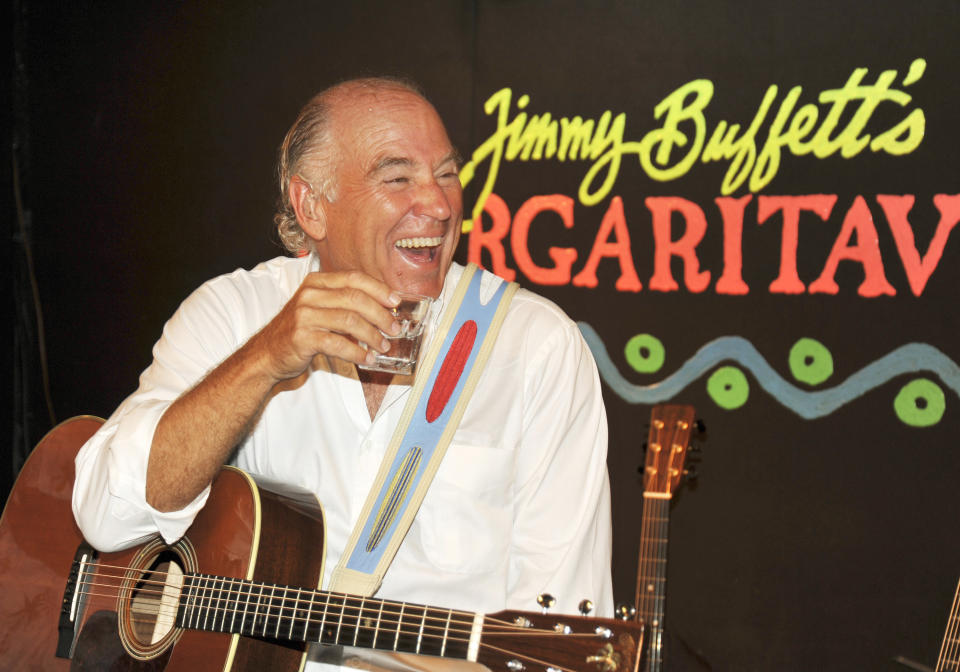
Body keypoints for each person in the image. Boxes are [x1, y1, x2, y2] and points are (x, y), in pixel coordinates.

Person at [72, 77, 613, 670]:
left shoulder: (535, 346)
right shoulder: (234, 314)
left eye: (447, 174)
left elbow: (566, 630)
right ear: (311, 206)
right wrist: (266, 358)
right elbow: (108, 516)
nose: (437, 204)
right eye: (398, 177)